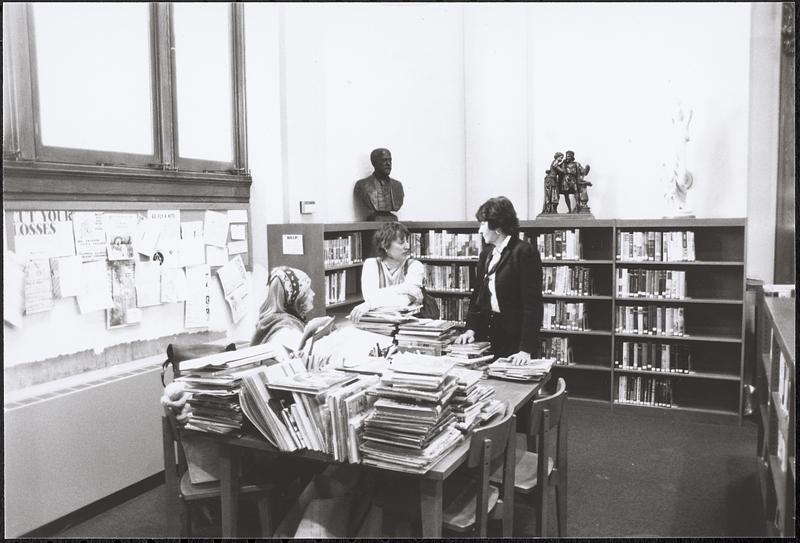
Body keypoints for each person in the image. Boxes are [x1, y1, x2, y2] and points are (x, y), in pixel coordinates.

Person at [454, 197, 543, 363]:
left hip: (514, 339)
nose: (480, 230)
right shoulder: (487, 254)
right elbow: (477, 296)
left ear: (497, 226)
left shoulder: (524, 252)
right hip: (487, 334)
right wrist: (470, 329)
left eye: (482, 224)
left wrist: (525, 350)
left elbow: (533, 306)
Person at [348, 221, 425, 323]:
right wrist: (406, 288)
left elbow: (406, 300)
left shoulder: (415, 266)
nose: (407, 246)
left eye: (407, 241)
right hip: (377, 324)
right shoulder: (371, 264)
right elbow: (370, 296)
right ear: (385, 245)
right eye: (401, 242)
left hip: (408, 326)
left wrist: (370, 304)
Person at [353, 148, 405, 221]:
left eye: (390, 160)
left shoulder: (397, 186)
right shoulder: (363, 185)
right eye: (384, 160)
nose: (388, 164)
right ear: (374, 163)